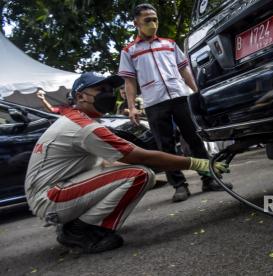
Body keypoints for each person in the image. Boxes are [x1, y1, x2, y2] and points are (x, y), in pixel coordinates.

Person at [25, 72, 229, 253]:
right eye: (101, 90)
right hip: (50, 198)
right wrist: (197, 163)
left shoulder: (74, 120)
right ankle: (79, 231)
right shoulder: (84, 127)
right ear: (80, 97)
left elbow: (108, 165)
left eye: (110, 90)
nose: (109, 94)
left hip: (50, 193)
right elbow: (142, 157)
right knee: (140, 174)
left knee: (128, 170)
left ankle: (74, 221)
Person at [118, 3, 232, 202]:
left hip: (180, 97)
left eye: (155, 19)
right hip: (154, 102)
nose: (153, 24)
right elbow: (129, 80)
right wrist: (132, 106)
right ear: (136, 23)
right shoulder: (130, 51)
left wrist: (196, 91)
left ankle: (210, 178)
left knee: (195, 139)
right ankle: (179, 185)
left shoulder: (169, 44)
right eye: (147, 20)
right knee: (165, 146)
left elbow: (184, 69)